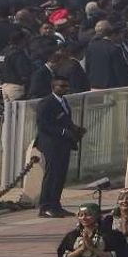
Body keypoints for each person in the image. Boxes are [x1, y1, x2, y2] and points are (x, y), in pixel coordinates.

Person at [35, 75, 85, 218]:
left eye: (66, 86)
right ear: (53, 87)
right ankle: (45, 206)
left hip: (63, 144)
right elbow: (43, 125)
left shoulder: (64, 102)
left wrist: (75, 129)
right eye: (61, 86)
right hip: (51, 144)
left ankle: (56, 204)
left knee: (60, 175)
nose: (65, 88)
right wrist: (64, 132)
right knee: (52, 175)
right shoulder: (46, 103)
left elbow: (65, 120)